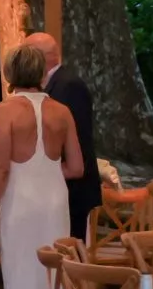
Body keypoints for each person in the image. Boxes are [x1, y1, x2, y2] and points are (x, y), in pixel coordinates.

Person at [0, 45, 84, 289]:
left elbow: (1, 168)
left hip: (21, 200)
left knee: (20, 267)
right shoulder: (63, 111)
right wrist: (46, 172)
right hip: (54, 199)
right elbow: (76, 168)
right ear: (41, 73)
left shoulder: (5, 110)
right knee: (54, 267)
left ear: (10, 73)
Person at [25, 32, 99, 242]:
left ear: (40, 57)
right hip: (57, 188)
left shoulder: (68, 85)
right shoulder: (52, 84)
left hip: (73, 190)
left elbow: (77, 138)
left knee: (69, 253)